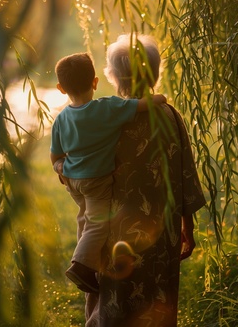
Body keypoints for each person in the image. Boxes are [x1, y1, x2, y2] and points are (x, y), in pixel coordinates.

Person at [85, 34, 206, 327]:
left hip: (115, 230)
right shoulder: (170, 116)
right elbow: (185, 174)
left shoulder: (107, 117)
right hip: (162, 233)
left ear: (113, 75)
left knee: (114, 296)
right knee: (157, 299)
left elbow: (88, 168)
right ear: (155, 73)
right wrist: (186, 228)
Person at [50, 52, 167, 294]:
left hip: (72, 180)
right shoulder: (108, 108)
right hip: (96, 181)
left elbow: (55, 156)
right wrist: (162, 97)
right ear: (95, 82)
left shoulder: (61, 118)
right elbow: (147, 103)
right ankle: (81, 266)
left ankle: (88, 262)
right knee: (98, 225)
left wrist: (60, 170)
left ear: (61, 88)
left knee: (86, 217)